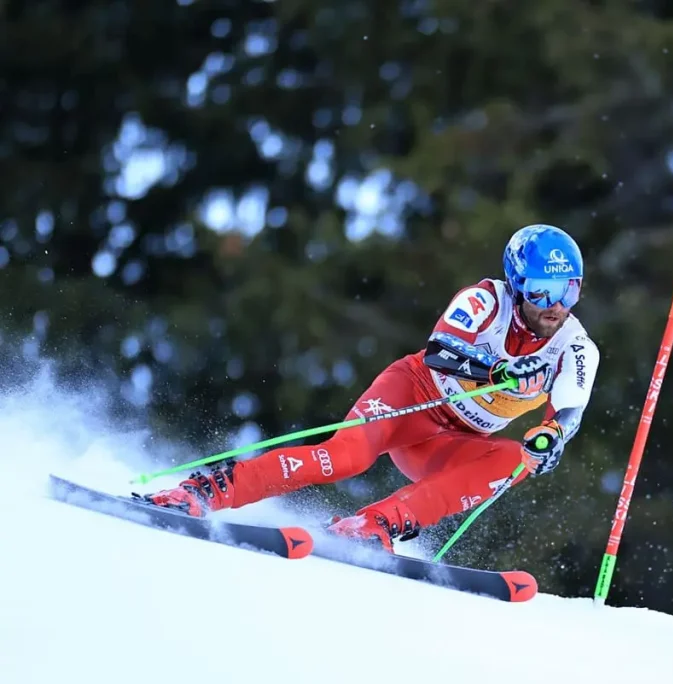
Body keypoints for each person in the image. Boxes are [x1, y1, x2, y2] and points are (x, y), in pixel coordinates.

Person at [138, 224, 601, 552]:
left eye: (568, 290)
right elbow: (441, 351)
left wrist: (551, 440)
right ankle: (203, 492)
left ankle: (373, 524)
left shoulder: (575, 346)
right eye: (542, 290)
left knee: (512, 460)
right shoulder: (484, 301)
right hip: (413, 397)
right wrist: (496, 371)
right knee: (346, 457)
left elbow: (567, 414)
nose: (555, 305)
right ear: (518, 284)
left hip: (453, 440)